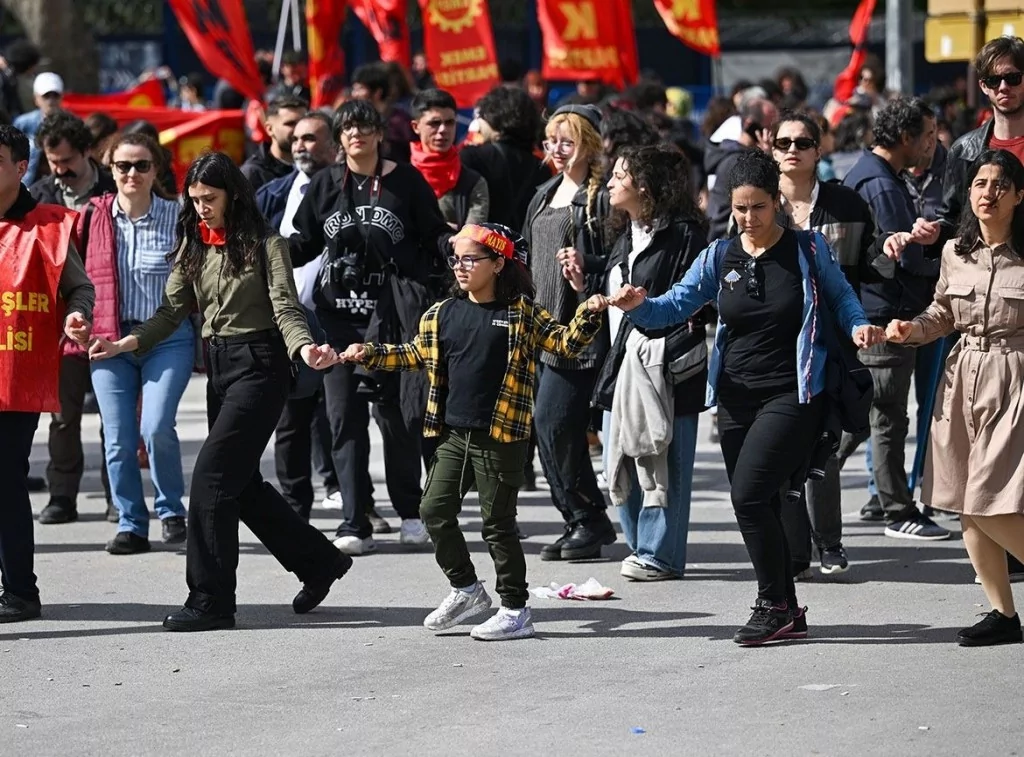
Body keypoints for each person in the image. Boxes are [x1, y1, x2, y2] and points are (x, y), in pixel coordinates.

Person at [610, 149, 885, 644]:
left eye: (758, 207)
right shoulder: (719, 255)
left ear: (777, 203)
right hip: (735, 397)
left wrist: (861, 326)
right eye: (739, 208)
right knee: (759, 502)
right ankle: (788, 608)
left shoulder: (807, 250)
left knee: (749, 494)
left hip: (793, 393)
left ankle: (771, 602)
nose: (748, 218)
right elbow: (674, 306)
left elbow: (843, 298)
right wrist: (639, 306)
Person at [88, 152, 351, 632]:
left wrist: (304, 349)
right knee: (240, 483)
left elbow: (285, 307)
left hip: (262, 366)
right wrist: (128, 342)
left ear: (233, 194)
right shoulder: (194, 241)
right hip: (219, 366)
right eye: (195, 199)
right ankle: (319, 562)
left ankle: (210, 600)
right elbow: (171, 311)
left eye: (210, 198)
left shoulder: (267, 244)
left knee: (209, 479)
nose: (202, 207)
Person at [339, 223, 608, 640]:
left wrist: (589, 311)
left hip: (501, 436)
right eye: (456, 259)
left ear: (498, 263)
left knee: (498, 524)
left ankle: (515, 609)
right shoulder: (442, 312)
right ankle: (466, 588)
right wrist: (368, 353)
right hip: (451, 433)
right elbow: (414, 355)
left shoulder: (520, 313)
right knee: (433, 511)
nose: (460, 267)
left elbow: (565, 344)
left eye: (470, 259)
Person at [288, 99, 452, 554]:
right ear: (338, 139)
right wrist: (263, 252)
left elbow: (433, 233)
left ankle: (409, 511)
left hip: (392, 322)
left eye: (363, 126)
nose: (355, 134)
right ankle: (353, 521)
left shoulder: (405, 183)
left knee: (397, 420)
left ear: (379, 133)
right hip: (338, 322)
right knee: (343, 421)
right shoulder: (324, 185)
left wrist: (455, 244)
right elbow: (302, 244)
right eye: (347, 129)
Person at [885, 149, 1024, 646]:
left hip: (1015, 378)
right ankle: (1003, 615)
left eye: (1001, 184)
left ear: (1019, 196)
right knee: (965, 501)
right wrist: (910, 330)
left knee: (990, 500)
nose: (989, 192)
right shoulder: (954, 252)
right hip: (962, 376)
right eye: (981, 183)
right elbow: (942, 313)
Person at [769, 111, 886, 577]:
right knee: (782, 450)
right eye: (783, 142)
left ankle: (830, 543)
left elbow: (870, 266)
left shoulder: (846, 204)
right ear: (771, 149)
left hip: (833, 347)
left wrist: (892, 250)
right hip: (775, 345)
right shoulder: (759, 205)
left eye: (802, 142)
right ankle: (796, 550)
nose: (792, 149)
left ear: (820, 149)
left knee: (823, 444)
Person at [592, 145, 708, 581]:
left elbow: (694, 301)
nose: (610, 185)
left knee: (666, 463)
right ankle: (641, 548)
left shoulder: (684, 235)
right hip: (621, 364)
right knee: (620, 457)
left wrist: (649, 314)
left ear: (643, 185)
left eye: (619, 177)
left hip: (668, 366)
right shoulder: (624, 235)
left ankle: (661, 556)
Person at [76, 132, 193, 555]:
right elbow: (76, 282)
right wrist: (77, 319)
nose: (132, 173)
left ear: (156, 169)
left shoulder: (180, 215)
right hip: (109, 339)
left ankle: (171, 511)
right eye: (123, 166)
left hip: (167, 337)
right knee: (119, 438)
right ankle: (130, 522)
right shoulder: (93, 218)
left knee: (156, 426)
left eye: (142, 165)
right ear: (110, 170)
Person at [841, 97, 951, 541]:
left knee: (872, 413)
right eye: (926, 135)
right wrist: (938, 250)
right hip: (886, 314)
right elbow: (902, 259)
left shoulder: (874, 174)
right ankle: (895, 507)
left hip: (880, 311)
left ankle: (884, 499)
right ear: (905, 137)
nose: (931, 144)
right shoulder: (881, 184)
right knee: (880, 414)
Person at [0, 124, 94, 622]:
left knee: (6, 479)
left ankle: (19, 590)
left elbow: (79, 288)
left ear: (19, 168)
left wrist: (77, 315)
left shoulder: (49, 227)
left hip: (16, 378)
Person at [523, 104, 615, 561]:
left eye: (567, 140)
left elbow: (619, 260)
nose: (557, 150)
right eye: (551, 141)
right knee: (548, 428)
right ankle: (578, 520)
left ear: (589, 143)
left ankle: (589, 518)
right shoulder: (543, 194)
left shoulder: (601, 198)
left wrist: (587, 276)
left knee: (555, 423)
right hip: (540, 327)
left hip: (579, 331)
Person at [29, 112, 117, 526]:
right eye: (52, 161)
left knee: (114, 416)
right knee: (63, 417)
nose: (59, 170)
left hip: (111, 318)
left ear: (86, 152)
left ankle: (118, 497)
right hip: (59, 322)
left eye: (67, 161)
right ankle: (62, 495)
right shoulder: (40, 194)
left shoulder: (115, 187)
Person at [256, 111, 340, 520]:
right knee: (291, 420)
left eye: (311, 138)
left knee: (340, 419)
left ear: (334, 145)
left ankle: (351, 502)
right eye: (298, 138)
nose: (301, 145)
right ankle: (295, 510)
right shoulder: (274, 194)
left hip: (342, 320)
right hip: (290, 322)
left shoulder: (351, 189)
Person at [461, 85, 550, 232]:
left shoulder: (472, 157)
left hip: (484, 249)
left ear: (494, 119)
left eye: (481, 116)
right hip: (524, 250)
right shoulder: (543, 168)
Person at [409, 89, 488, 229]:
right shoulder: (400, 178)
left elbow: (470, 239)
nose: (443, 129)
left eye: (450, 122)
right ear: (416, 127)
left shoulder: (473, 183)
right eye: (434, 123)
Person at [705, 95, 778, 240]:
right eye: (769, 127)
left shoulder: (732, 153)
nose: (772, 135)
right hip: (727, 239)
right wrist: (768, 158)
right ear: (750, 125)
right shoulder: (738, 160)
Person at [350, 62, 414, 164]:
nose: (354, 94)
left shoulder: (400, 121)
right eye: (354, 89)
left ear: (377, 92)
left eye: (360, 89)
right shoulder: (356, 120)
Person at [241, 96, 306, 191]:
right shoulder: (253, 173)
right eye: (290, 124)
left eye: (302, 123)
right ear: (269, 129)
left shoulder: (315, 165)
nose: (299, 129)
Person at [14, 71, 63, 185]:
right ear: (36, 99)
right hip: (27, 185)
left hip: (59, 186)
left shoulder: (71, 125)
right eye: (46, 96)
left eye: (55, 95)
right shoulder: (23, 124)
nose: (51, 101)